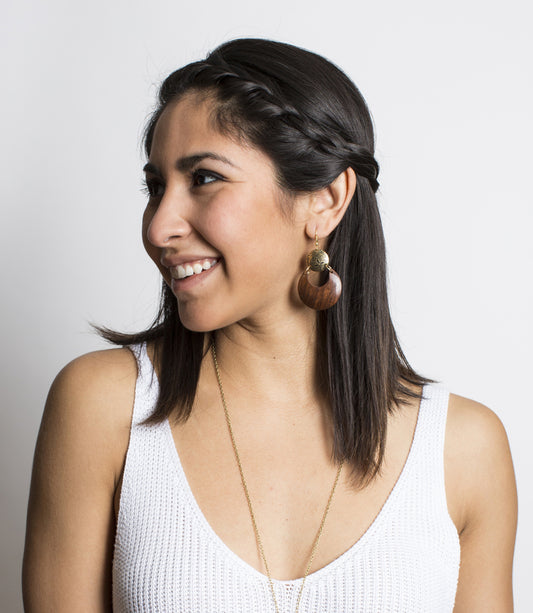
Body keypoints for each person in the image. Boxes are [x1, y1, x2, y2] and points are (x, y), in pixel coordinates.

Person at [22, 38, 517, 612]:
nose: (158, 228)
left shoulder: (463, 451)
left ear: (325, 200)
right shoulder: (104, 407)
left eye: (204, 178)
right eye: (156, 187)